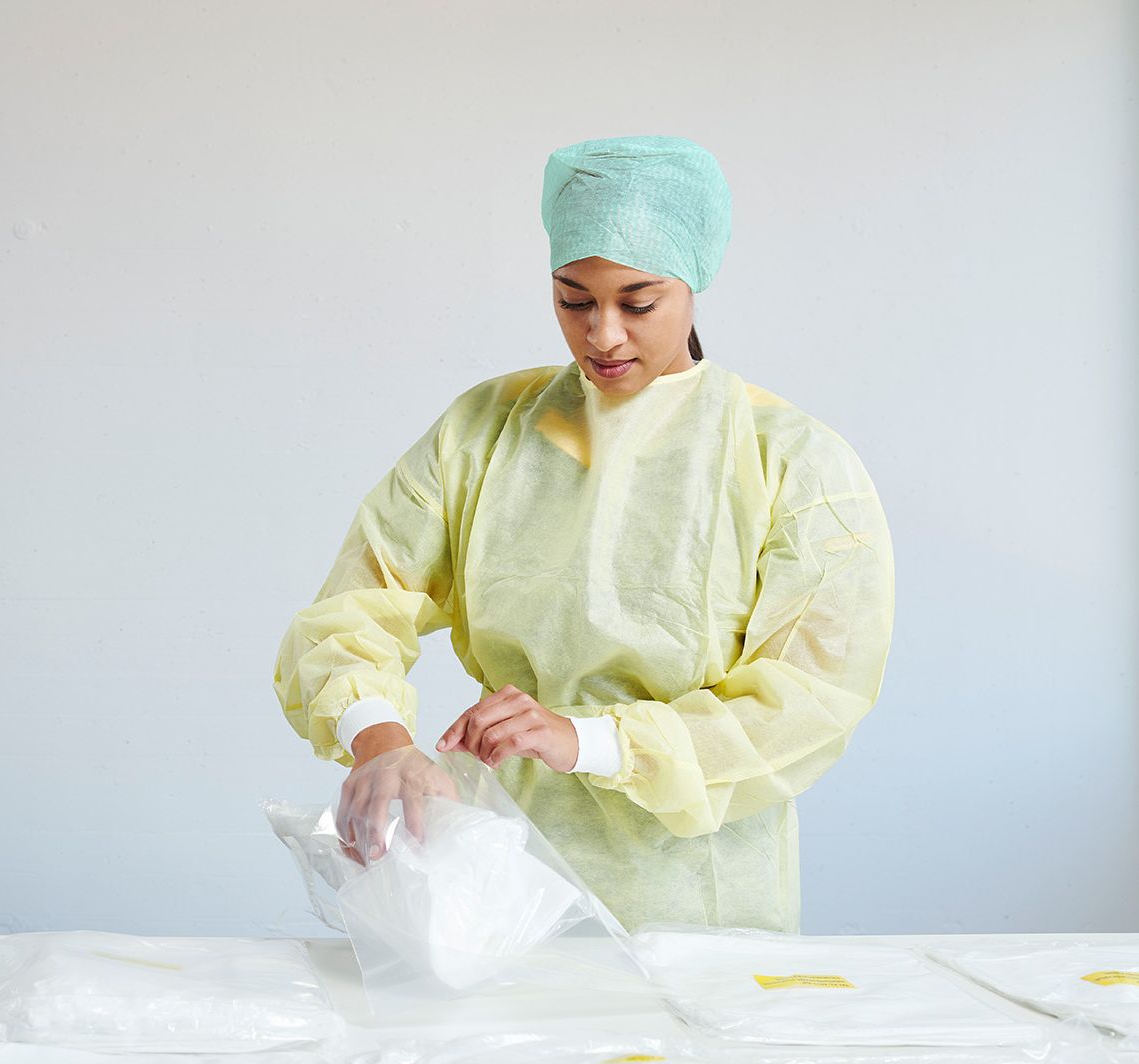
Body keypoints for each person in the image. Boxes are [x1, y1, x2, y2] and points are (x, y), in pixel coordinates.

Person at [272, 135, 895, 932]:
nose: (602, 334)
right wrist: (380, 742)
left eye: (638, 303)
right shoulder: (488, 431)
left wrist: (588, 741)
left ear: (694, 281)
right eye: (574, 300)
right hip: (495, 871)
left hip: (696, 894)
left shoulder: (793, 463)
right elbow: (356, 606)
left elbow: (809, 700)